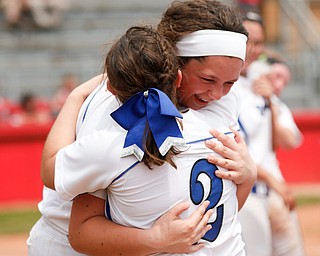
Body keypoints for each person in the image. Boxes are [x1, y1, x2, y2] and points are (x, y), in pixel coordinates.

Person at [30, 1, 256, 255]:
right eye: (207, 79)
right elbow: (82, 228)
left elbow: (220, 213)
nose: (217, 94)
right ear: (175, 66)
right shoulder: (116, 110)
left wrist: (248, 174)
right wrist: (155, 240)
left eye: (230, 82)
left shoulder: (224, 103)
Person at [236, 10, 305, 256]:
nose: (254, 49)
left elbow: (284, 142)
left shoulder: (262, 84)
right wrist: (276, 183)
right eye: (248, 41)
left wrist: (270, 101)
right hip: (247, 194)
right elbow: (238, 151)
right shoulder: (225, 89)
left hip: (273, 191)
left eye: (260, 42)